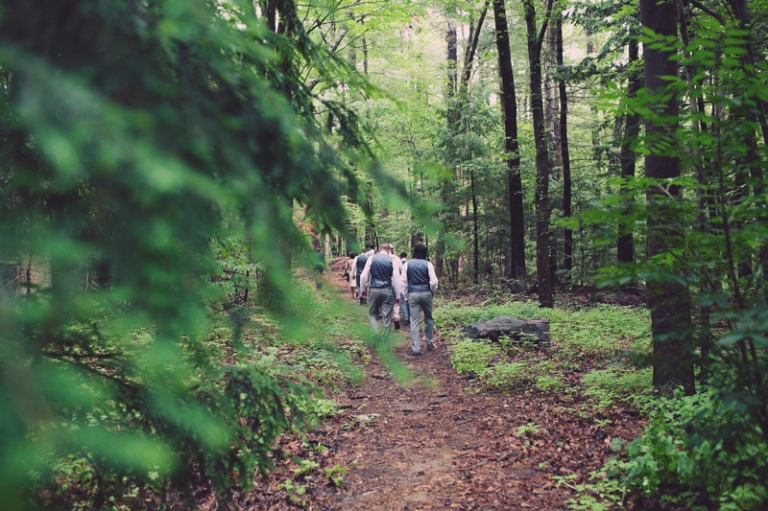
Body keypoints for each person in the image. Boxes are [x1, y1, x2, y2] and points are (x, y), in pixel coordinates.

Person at [359, 243, 404, 348]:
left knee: (372, 314)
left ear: (379, 249)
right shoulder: (393, 260)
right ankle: (386, 344)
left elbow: (363, 276)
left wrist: (363, 290)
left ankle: (375, 335)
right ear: (389, 250)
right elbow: (396, 280)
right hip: (387, 290)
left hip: (374, 289)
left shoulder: (371, 259)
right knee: (386, 317)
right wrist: (398, 296)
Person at [404, 244, 438, 355]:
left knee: (414, 320)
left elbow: (403, 282)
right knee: (428, 318)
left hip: (413, 294)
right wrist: (432, 290)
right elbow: (433, 281)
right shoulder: (428, 264)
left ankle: (416, 348)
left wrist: (405, 296)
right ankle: (429, 343)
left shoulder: (407, 264)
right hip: (426, 293)